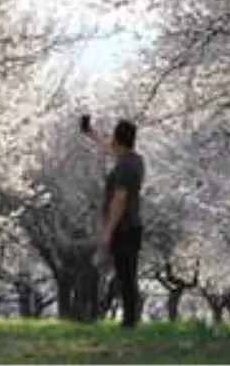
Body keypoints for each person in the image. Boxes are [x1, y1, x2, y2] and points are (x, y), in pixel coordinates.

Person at [80, 115, 145, 328]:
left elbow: (120, 199)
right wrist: (92, 134)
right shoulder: (134, 159)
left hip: (124, 227)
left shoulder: (125, 167)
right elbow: (110, 150)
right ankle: (131, 318)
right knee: (127, 273)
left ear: (118, 139)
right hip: (132, 225)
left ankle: (129, 321)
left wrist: (108, 230)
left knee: (125, 275)